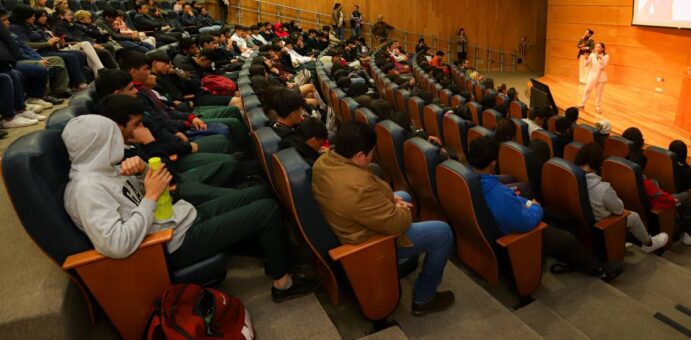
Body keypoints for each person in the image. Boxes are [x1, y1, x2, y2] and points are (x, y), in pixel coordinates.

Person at [61, 114, 320, 303]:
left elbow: (149, 189)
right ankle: (283, 283)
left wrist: (142, 174)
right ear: (99, 144)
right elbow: (116, 244)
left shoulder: (108, 168)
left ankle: (276, 256)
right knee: (265, 210)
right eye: (112, 138)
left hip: (180, 217)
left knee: (261, 192)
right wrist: (150, 195)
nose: (121, 141)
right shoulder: (86, 190)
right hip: (172, 243)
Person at [312, 122, 455, 316]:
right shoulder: (358, 188)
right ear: (359, 156)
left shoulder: (325, 160)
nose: (373, 156)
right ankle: (424, 298)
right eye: (371, 153)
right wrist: (401, 210)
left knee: (403, 196)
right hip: (369, 243)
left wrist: (393, 199)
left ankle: (405, 255)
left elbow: (368, 192)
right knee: (443, 232)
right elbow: (398, 222)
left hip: (351, 220)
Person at [469, 137, 622, 281]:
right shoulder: (496, 192)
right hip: (514, 236)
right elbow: (525, 222)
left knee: (539, 206)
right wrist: (536, 207)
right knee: (566, 238)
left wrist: (525, 202)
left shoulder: (469, 178)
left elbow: (508, 199)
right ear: (493, 163)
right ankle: (599, 270)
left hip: (489, 226)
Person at [574, 143, 668, 253]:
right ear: (599, 164)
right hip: (603, 224)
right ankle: (649, 243)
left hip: (581, 222)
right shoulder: (603, 189)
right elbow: (619, 210)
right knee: (634, 216)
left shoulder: (572, 177)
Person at [579, 42, 608, 113]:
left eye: (599, 47)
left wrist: (600, 59)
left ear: (602, 48)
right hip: (592, 76)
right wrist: (586, 58)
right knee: (587, 90)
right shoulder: (592, 55)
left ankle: (597, 107)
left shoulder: (606, 56)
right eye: (596, 47)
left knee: (598, 94)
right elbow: (586, 64)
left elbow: (603, 67)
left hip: (601, 77)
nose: (597, 48)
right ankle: (582, 104)